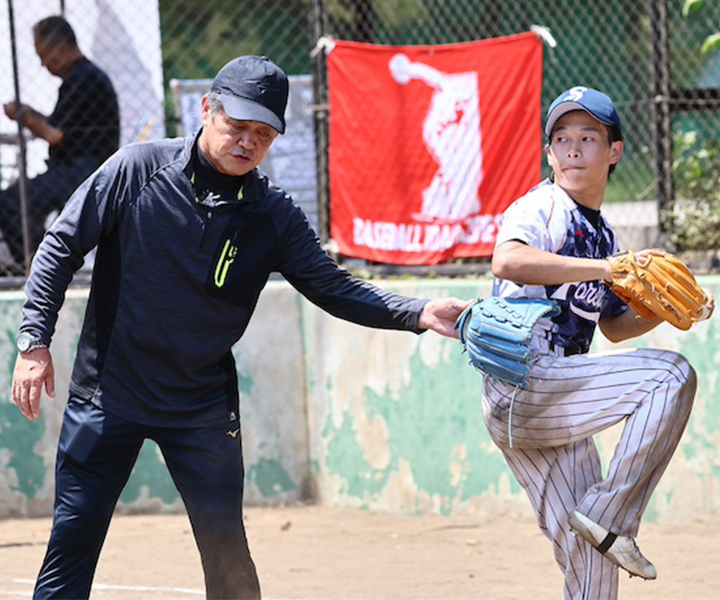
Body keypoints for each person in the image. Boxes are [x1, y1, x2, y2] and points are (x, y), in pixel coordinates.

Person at [10, 54, 469, 600]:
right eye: (237, 126)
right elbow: (60, 245)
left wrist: (415, 313)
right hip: (109, 394)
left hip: (200, 407)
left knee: (227, 550)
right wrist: (34, 341)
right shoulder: (135, 169)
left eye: (263, 134)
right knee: (73, 541)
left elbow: (333, 285)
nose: (248, 142)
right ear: (206, 109)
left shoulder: (272, 215)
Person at [483, 86, 714, 599]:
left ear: (614, 152)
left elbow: (613, 326)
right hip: (526, 379)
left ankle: (605, 522)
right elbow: (508, 260)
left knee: (591, 555)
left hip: (554, 401)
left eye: (588, 137)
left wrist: (663, 311)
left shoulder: (604, 235)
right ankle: (611, 513)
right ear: (549, 153)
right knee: (672, 376)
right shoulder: (543, 206)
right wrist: (607, 268)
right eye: (561, 138)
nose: (572, 148)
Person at [1, 15, 119, 272]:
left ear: (62, 50)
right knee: (21, 201)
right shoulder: (82, 77)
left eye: (44, 55)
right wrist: (30, 113)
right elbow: (59, 126)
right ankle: (41, 261)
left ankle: (38, 267)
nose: (43, 64)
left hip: (84, 171)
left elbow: (54, 135)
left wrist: (25, 116)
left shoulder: (83, 79)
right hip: (79, 168)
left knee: (10, 201)